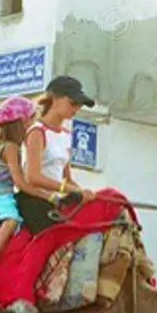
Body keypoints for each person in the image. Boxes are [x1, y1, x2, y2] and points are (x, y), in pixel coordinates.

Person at [0, 94, 52, 288]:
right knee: (11, 222)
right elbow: (19, 181)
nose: (33, 124)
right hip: (1, 195)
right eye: (31, 119)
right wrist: (46, 195)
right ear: (21, 122)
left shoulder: (15, 147)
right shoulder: (10, 147)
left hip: (8, 193)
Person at [17, 75, 97, 233]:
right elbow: (32, 177)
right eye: (73, 103)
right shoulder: (37, 131)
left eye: (79, 105)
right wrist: (69, 190)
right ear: (55, 99)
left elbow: (66, 178)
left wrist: (84, 193)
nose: (76, 109)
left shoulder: (66, 134)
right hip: (35, 201)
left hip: (57, 201)